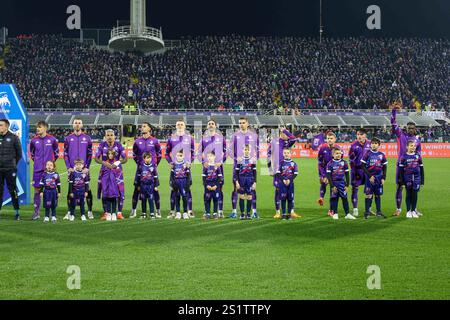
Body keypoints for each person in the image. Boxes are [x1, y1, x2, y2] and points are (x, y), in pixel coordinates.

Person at [391, 106, 422, 216]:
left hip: (413, 167)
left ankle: (414, 209)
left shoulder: (417, 140)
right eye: (408, 128)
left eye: (412, 128)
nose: (410, 130)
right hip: (401, 166)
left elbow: (419, 153)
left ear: (415, 129)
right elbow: (393, 122)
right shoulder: (400, 135)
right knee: (400, 186)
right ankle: (398, 209)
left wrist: (417, 162)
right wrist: (394, 111)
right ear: (406, 128)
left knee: (414, 189)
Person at [229, 117, 259, 218]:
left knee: (252, 189)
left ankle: (254, 212)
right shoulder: (235, 135)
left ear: (247, 123)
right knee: (236, 188)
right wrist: (236, 158)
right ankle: (234, 211)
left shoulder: (253, 135)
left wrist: (255, 158)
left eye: (243, 123)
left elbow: (257, 149)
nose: (241, 124)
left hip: (250, 166)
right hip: (238, 166)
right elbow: (230, 150)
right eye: (240, 123)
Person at [63, 118, 93, 220]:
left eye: (79, 123)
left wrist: (87, 167)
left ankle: (89, 211)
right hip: (72, 170)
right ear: (73, 125)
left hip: (84, 170)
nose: (77, 124)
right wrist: (68, 167)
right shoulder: (68, 138)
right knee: (70, 190)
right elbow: (65, 154)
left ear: (82, 125)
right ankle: (69, 212)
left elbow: (90, 154)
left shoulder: (87, 138)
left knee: (87, 189)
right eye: (75, 123)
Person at [130, 122, 161, 218]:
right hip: (141, 169)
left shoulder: (155, 141)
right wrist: (140, 164)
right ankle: (134, 210)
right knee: (137, 189)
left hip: (152, 169)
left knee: (155, 189)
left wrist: (154, 164)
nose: (142, 128)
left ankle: (157, 210)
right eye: (141, 126)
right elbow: (134, 154)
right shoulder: (137, 141)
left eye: (144, 126)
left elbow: (159, 154)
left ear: (149, 129)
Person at [30, 121, 59, 220]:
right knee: (37, 190)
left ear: (45, 128)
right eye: (37, 127)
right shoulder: (34, 140)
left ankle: (52, 213)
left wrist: (50, 164)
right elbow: (32, 154)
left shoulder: (52, 139)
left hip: (49, 171)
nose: (37, 129)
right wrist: (37, 162)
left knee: (51, 190)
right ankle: (36, 212)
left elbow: (56, 153)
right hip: (37, 170)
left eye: (40, 127)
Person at [95, 129, 127, 220]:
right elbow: (96, 158)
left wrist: (117, 162)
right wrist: (104, 163)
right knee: (105, 191)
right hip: (105, 171)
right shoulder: (102, 145)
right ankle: (106, 212)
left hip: (117, 172)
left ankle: (119, 213)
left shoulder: (119, 145)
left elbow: (125, 159)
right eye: (108, 135)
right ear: (105, 137)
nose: (109, 137)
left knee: (120, 191)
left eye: (111, 135)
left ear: (114, 136)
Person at [166, 119, 195, 218]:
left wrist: (190, 162)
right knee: (174, 189)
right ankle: (172, 211)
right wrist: (170, 161)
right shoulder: (171, 138)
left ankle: (189, 210)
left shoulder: (189, 138)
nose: (180, 126)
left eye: (181, 124)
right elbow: (166, 153)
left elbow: (193, 153)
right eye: (178, 124)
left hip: (185, 167)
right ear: (175, 126)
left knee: (187, 188)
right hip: (175, 167)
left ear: (185, 126)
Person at [268, 127, 299, 219]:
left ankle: (291, 211)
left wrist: (285, 131)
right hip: (277, 170)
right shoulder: (274, 142)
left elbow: (294, 138)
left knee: (290, 191)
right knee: (278, 191)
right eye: (285, 133)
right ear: (280, 134)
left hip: (288, 170)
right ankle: (278, 212)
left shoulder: (288, 142)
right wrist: (270, 168)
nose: (287, 135)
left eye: (287, 133)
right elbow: (269, 155)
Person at [198, 119, 226, 218]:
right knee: (206, 188)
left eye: (212, 124)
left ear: (215, 126)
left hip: (218, 168)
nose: (210, 125)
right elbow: (198, 153)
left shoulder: (221, 138)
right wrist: (203, 162)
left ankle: (220, 211)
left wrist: (221, 162)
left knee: (220, 188)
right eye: (209, 124)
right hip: (207, 168)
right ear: (207, 126)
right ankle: (207, 211)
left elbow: (226, 152)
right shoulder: (203, 139)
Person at [360, 138, 388, 219]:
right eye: (372, 143)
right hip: (370, 178)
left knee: (378, 195)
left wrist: (383, 178)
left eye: (376, 143)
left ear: (379, 145)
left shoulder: (381, 155)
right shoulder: (367, 154)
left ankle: (379, 212)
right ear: (370, 144)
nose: (374, 145)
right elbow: (363, 165)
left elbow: (385, 166)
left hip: (379, 178)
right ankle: (367, 212)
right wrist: (369, 176)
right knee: (368, 195)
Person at [0, 119, 22, 220]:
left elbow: (19, 154)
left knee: (12, 190)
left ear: (6, 127)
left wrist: (12, 164)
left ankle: (17, 213)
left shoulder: (14, 137)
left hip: (10, 169)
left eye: (1, 125)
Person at [326, 148, 355, 220]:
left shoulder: (344, 163)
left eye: (340, 153)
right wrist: (332, 186)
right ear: (333, 155)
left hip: (342, 183)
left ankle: (347, 214)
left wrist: (347, 185)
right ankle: (335, 213)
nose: (339, 155)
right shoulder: (330, 164)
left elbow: (347, 174)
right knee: (334, 198)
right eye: (337, 153)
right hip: (334, 183)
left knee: (344, 198)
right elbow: (329, 176)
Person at [348, 128, 371, 217]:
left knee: (369, 190)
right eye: (358, 134)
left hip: (367, 171)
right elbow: (351, 159)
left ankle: (368, 209)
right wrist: (354, 171)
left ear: (365, 135)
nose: (359, 136)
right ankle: (355, 209)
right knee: (355, 189)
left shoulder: (370, 144)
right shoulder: (353, 145)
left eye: (361, 134)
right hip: (357, 170)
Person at [317, 131, 341, 216]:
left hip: (334, 172)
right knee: (323, 182)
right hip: (324, 170)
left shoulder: (338, 148)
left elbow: (340, 162)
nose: (329, 140)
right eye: (328, 138)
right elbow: (320, 162)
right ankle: (321, 198)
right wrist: (322, 175)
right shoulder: (322, 148)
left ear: (335, 139)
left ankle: (331, 209)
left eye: (331, 138)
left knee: (332, 190)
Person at [399, 141, 424, 219]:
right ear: (407, 147)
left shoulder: (417, 156)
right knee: (408, 194)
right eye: (411, 146)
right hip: (407, 178)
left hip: (417, 178)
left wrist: (422, 180)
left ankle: (413, 210)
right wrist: (402, 182)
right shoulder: (403, 157)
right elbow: (401, 171)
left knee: (415, 194)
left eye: (414, 146)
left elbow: (422, 168)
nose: (413, 147)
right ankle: (408, 211)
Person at [98, 149, 124, 221]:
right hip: (107, 184)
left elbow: (120, 174)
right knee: (108, 198)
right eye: (109, 154)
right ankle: (108, 213)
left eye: (112, 154)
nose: (110, 155)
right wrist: (102, 183)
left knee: (114, 198)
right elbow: (101, 174)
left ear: (114, 155)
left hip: (114, 184)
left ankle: (114, 213)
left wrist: (118, 183)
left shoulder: (117, 163)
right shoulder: (105, 163)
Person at [235, 144, 257, 220]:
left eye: (247, 150)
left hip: (250, 180)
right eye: (245, 149)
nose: (246, 151)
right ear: (242, 150)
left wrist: (255, 182)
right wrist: (237, 182)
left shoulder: (252, 160)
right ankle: (242, 214)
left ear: (250, 151)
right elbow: (236, 172)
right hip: (241, 180)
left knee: (249, 196)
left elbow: (255, 172)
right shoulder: (240, 160)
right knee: (241, 196)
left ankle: (248, 214)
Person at [275, 148, 298, 220]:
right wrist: (283, 180)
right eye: (285, 153)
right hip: (282, 184)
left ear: (291, 154)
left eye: (288, 153)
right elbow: (278, 173)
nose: (286, 154)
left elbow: (295, 174)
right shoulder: (281, 163)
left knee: (290, 199)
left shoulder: (294, 163)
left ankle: (289, 214)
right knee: (283, 198)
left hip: (290, 184)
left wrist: (289, 180)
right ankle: (284, 214)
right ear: (283, 154)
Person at [135, 152, 159, 219]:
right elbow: (138, 176)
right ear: (144, 159)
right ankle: (143, 213)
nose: (148, 159)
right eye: (147, 158)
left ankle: (152, 213)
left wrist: (156, 186)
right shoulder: (141, 166)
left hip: (150, 185)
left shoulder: (153, 166)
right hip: (143, 185)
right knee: (143, 199)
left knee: (151, 199)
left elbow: (156, 176)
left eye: (150, 158)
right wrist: (138, 185)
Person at [170, 150, 192, 220]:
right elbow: (171, 176)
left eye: (181, 156)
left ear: (183, 156)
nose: (179, 157)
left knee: (185, 198)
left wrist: (188, 184)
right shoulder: (174, 165)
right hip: (176, 182)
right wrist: (172, 184)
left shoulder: (186, 165)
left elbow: (189, 175)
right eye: (178, 156)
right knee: (177, 197)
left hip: (184, 182)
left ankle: (185, 212)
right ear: (175, 156)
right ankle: (178, 212)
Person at [202, 152, 223, 219]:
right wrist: (206, 185)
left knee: (215, 200)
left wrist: (216, 186)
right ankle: (207, 213)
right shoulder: (205, 166)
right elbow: (204, 178)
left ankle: (215, 213)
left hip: (215, 186)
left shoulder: (217, 167)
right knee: (207, 200)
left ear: (214, 157)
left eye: (211, 156)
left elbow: (219, 178)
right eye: (208, 156)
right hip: (208, 186)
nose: (209, 158)